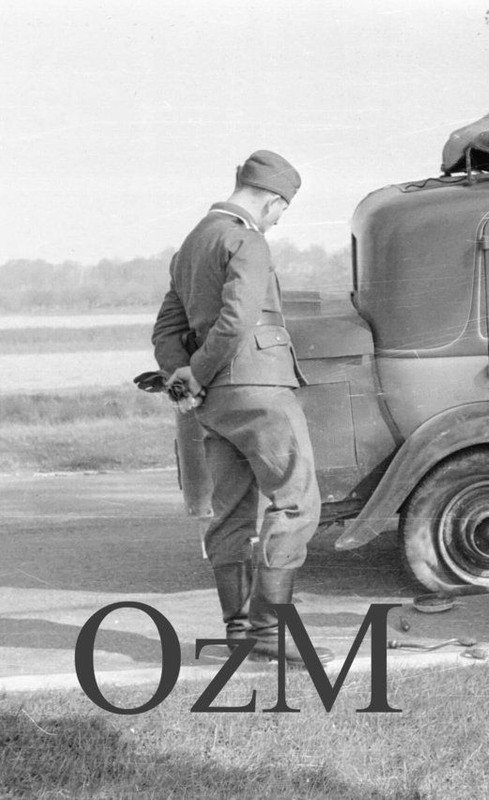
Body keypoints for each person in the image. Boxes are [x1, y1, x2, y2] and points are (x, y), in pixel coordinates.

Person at [151, 150, 331, 665]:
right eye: (281, 211)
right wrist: (200, 373)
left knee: (229, 511)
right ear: (272, 200)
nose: (276, 222)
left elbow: (165, 331)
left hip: (210, 406)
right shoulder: (246, 239)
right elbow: (236, 320)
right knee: (295, 501)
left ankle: (238, 631)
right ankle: (271, 631)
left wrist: (186, 379)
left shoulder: (191, 244)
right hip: (259, 389)